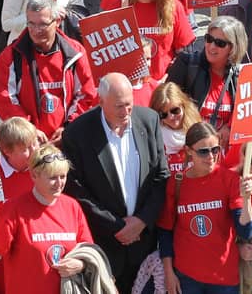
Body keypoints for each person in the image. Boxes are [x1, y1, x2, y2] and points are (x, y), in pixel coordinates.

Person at [59, 72, 170, 293]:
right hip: (106, 246)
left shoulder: (148, 120)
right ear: (101, 103)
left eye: (129, 105)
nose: (126, 112)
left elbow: (161, 175)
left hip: (144, 242)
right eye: (119, 106)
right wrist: (118, 227)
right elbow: (77, 191)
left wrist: (141, 220)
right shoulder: (77, 133)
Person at [158, 119, 252, 294]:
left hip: (223, 277)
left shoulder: (230, 180)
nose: (211, 157)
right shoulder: (177, 182)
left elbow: (245, 232)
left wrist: (247, 199)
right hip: (186, 277)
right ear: (189, 151)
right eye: (203, 152)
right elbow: (165, 231)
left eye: (215, 150)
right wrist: (168, 272)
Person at [0, 0, 99, 144]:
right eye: (31, 24)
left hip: (67, 140)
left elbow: (87, 94)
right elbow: (2, 97)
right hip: (27, 143)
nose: (36, 30)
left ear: (58, 21)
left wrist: (69, 127)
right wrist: (28, 130)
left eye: (42, 24)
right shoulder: (11, 56)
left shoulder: (75, 52)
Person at [0, 150, 92, 292]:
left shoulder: (72, 206)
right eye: (53, 177)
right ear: (34, 175)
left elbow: (88, 252)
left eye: (63, 176)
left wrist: (79, 264)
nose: (59, 183)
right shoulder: (13, 209)